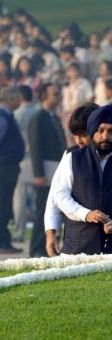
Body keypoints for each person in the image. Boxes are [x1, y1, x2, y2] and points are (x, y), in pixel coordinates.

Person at [52, 104, 112, 255]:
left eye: (111, 131)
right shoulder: (73, 159)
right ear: (92, 132)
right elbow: (59, 195)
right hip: (77, 247)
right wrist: (85, 214)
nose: (105, 136)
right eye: (100, 131)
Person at [44, 103, 97, 257]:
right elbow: (56, 195)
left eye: (83, 134)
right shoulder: (70, 156)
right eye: (75, 135)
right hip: (75, 235)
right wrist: (50, 233)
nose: (79, 140)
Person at [28, 83, 66, 257]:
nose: (58, 96)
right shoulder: (38, 118)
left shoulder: (54, 117)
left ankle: (45, 246)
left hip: (55, 169)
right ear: (44, 97)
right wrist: (39, 174)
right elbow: (36, 147)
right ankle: (37, 248)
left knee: (50, 209)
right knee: (42, 210)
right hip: (45, 171)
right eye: (54, 93)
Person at [0, 87, 25, 254]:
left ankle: (4, 239)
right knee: (3, 205)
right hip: (4, 168)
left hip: (9, 168)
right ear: (8, 98)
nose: (19, 100)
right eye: (16, 97)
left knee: (5, 204)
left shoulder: (8, 116)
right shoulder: (2, 117)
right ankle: (3, 241)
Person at [12, 85, 38, 242]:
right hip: (37, 160)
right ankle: (39, 231)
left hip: (22, 159)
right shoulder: (38, 113)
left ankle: (20, 232)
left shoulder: (16, 114)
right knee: (38, 199)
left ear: (20, 97)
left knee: (19, 199)